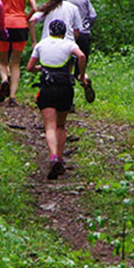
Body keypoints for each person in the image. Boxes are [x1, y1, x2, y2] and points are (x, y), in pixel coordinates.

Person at [27, 19, 88, 180]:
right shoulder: (68, 44)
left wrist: (41, 68)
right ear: (63, 33)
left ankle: (53, 157)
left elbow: (29, 67)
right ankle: (59, 159)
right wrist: (81, 75)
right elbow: (81, 56)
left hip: (47, 88)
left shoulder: (41, 45)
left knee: (50, 126)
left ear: (49, 31)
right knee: (61, 125)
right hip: (65, 88)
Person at [0, 0, 37, 106]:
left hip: (4, 25)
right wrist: (25, 17)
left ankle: (5, 79)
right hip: (20, 25)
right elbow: (34, 7)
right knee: (16, 63)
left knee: (2, 60)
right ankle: (12, 96)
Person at [62, 0, 97, 103]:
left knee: (67, 68)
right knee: (80, 68)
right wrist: (86, 25)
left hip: (68, 35)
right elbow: (93, 16)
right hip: (84, 35)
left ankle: (69, 102)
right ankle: (85, 79)